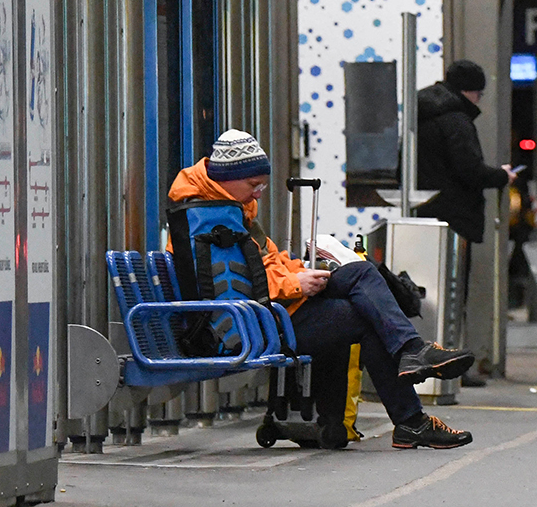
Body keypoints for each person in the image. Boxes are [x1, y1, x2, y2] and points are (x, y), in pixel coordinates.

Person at [168, 130, 478, 450]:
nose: (259, 193)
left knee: (359, 273)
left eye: (262, 184)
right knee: (362, 315)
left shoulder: (227, 210)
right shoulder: (207, 220)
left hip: (269, 310)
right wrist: (295, 283)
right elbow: (231, 289)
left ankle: (405, 373)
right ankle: (409, 404)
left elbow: (260, 267)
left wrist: (303, 271)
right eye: (253, 185)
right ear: (227, 178)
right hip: (256, 323)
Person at [415, 60, 518, 388]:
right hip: (455, 218)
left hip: (425, 216)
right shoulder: (456, 120)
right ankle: (451, 370)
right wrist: (502, 175)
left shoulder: (423, 115)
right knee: (454, 294)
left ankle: (427, 362)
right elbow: (469, 169)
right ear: (471, 91)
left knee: (431, 294)